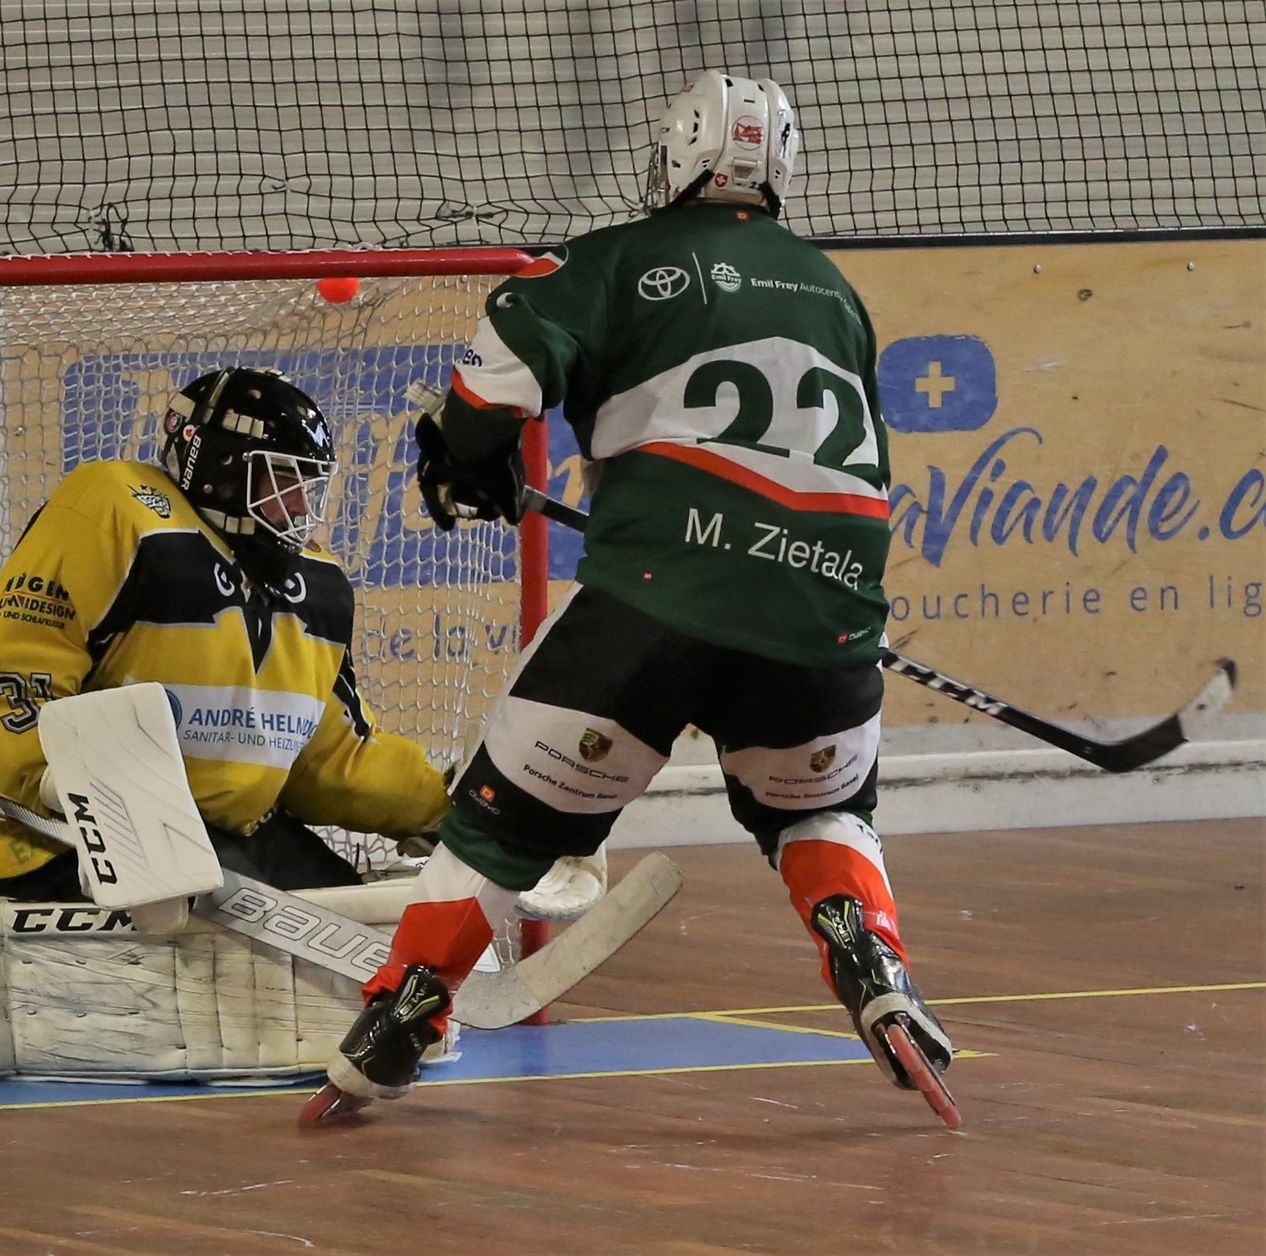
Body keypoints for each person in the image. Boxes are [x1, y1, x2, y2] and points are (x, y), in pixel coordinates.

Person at [321, 72, 956, 1121]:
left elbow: (498, 382)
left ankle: (406, 1009)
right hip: (831, 613)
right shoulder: (835, 290)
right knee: (823, 806)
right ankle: (872, 959)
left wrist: (464, 458)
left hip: (653, 604)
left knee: (501, 826)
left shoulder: (613, 259)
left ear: (676, 156)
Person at [0, 366, 451, 905]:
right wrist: (54, 776)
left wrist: (447, 813)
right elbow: (9, 667)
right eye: (281, 480)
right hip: (54, 837)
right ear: (221, 468)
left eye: (307, 485)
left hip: (223, 833)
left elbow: (332, 758)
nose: (300, 506)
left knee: (362, 920)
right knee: (259, 917)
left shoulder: (317, 585)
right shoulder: (117, 512)